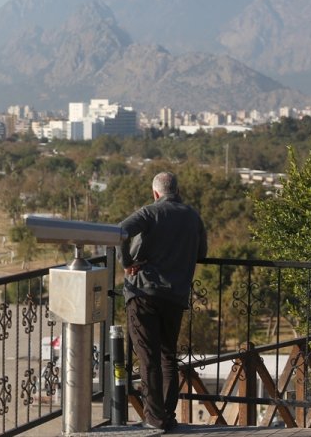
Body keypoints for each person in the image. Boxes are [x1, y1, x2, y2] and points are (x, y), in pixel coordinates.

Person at [116, 171, 207, 432]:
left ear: (156, 193)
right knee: (168, 356)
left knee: (148, 357)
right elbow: (201, 253)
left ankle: (155, 419)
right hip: (175, 295)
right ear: (176, 191)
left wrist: (128, 263)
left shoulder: (149, 213)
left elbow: (120, 231)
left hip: (144, 293)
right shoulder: (192, 217)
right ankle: (167, 414)